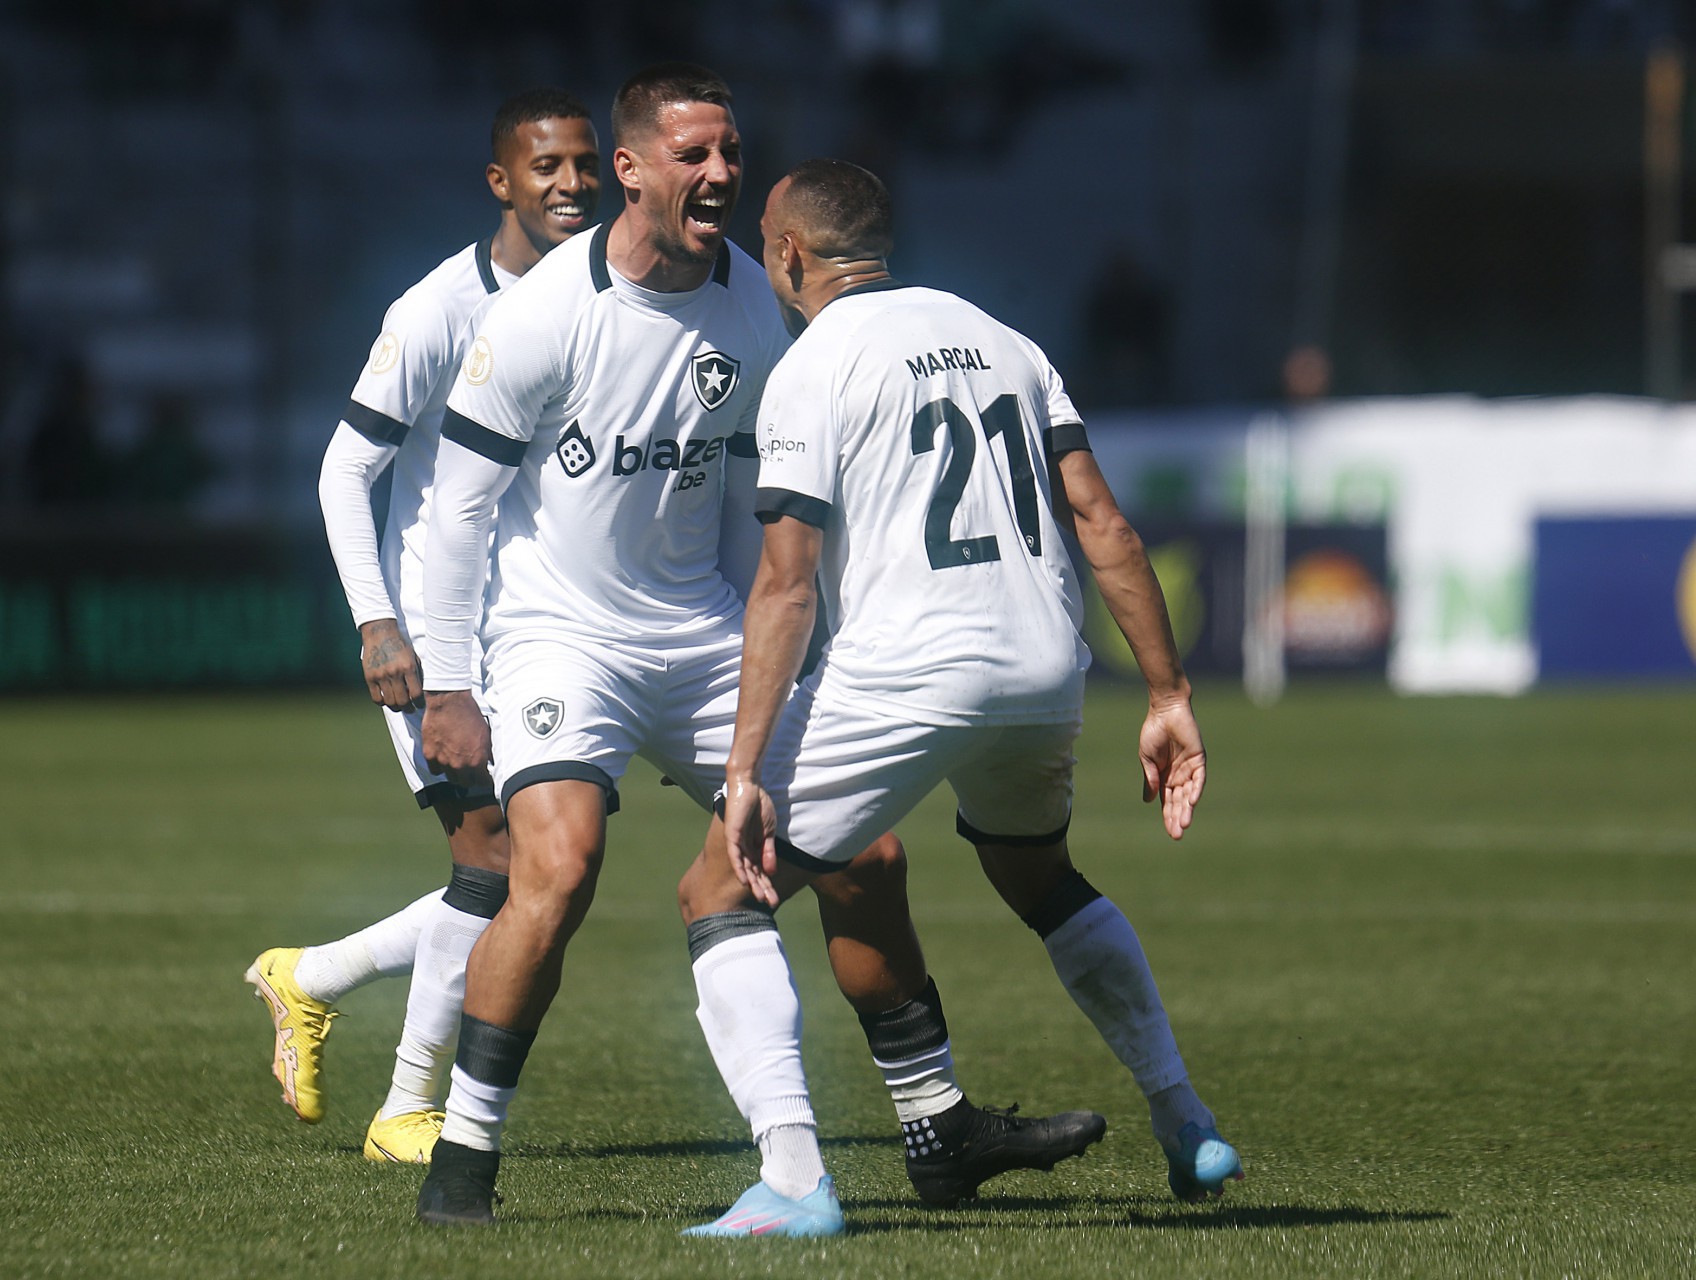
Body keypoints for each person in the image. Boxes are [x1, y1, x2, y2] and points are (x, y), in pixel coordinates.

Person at [415, 63, 1102, 1235]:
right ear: (630, 169)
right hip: (559, 640)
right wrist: (447, 681)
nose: (722, 172)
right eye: (693, 154)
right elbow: (458, 505)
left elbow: (765, 499)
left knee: (865, 855)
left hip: (702, 630)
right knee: (562, 868)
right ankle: (463, 1154)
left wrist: (785, 644)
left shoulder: (756, 309)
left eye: (731, 151)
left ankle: (938, 1127)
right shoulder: (539, 316)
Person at [683, 157, 1244, 1231]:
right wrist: (1167, 692)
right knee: (1039, 875)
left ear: (789, 252)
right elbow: (1103, 524)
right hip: (1043, 668)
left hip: (908, 670)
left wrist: (744, 765)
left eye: (766, 243)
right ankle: (1185, 1119)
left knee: (718, 889)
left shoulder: (814, 365)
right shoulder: (1004, 339)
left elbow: (787, 583)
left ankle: (793, 1182)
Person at [243, 88, 602, 1163]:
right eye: (546, 166)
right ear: (501, 181)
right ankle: (404, 1104)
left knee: (529, 869)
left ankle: (311, 978)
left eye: (584, 163)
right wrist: (379, 623)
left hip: (545, 625)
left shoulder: (602, 293)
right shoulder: (439, 309)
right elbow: (344, 469)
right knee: (498, 858)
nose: (571, 184)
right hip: (439, 635)